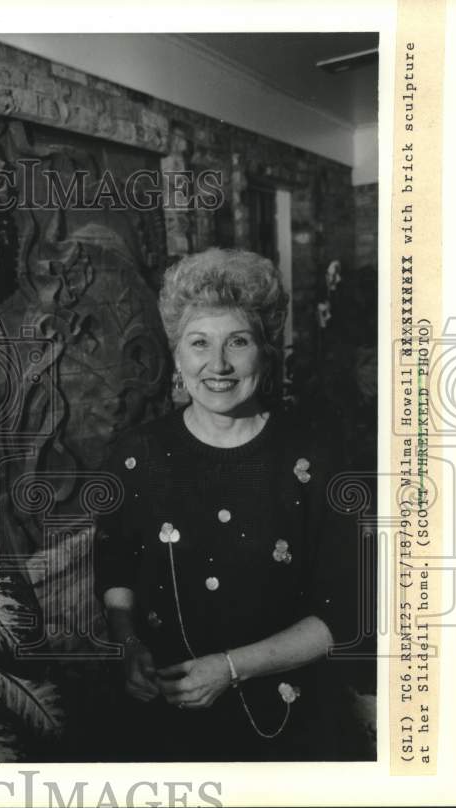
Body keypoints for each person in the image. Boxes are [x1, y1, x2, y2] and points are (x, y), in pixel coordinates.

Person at [95, 248, 364, 760]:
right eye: (199, 343)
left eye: (237, 341)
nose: (217, 364)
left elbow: (344, 616)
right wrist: (128, 644)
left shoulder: (316, 458)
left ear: (265, 351)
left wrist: (230, 668)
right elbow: (116, 568)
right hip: (160, 718)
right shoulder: (136, 455)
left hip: (284, 720)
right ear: (177, 356)